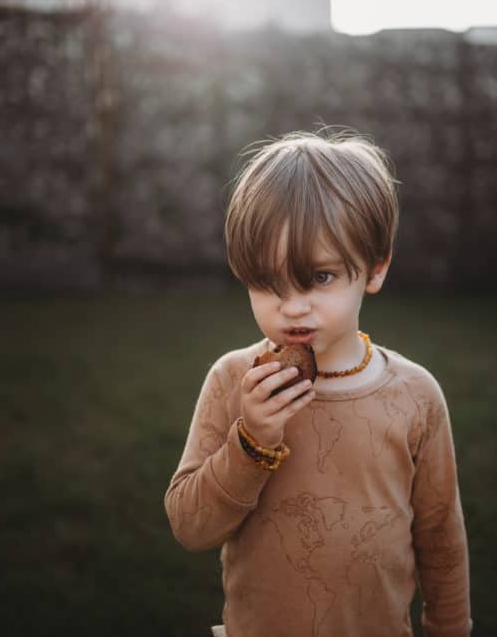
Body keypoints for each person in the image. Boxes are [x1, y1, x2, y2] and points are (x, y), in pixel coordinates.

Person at [164, 129, 472, 637]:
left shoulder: (415, 396)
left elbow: (441, 538)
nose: (292, 306)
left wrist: (451, 627)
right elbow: (191, 527)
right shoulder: (234, 381)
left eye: (320, 277)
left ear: (375, 269)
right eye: (267, 282)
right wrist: (251, 442)